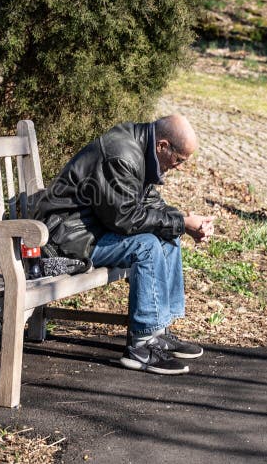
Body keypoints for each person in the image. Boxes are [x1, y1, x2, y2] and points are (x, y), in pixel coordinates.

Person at [31, 114, 214, 375]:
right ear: (163, 146)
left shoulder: (140, 149)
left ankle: (159, 330)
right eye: (179, 160)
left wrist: (183, 220)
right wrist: (181, 222)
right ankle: (141, 347)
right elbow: (125, 219)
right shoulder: (121, 155)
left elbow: (147, 200)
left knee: (168, 236)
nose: (179, 167)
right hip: (68, 237)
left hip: (93, 228)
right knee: (147, 246)